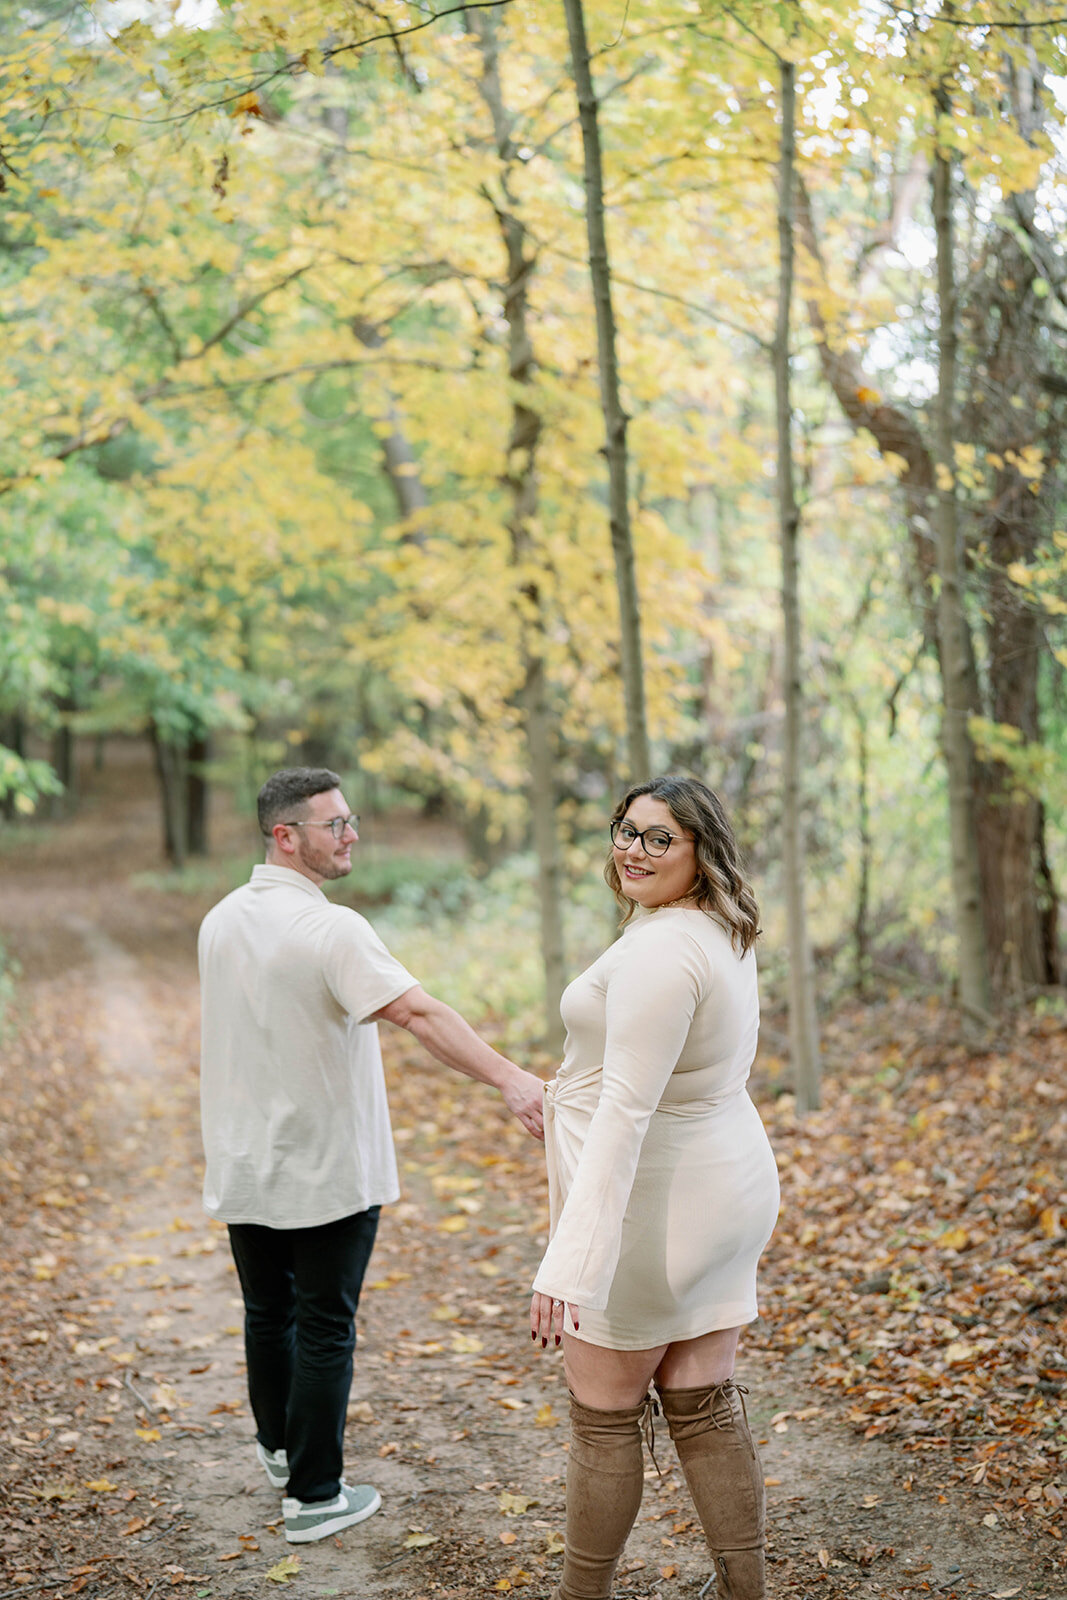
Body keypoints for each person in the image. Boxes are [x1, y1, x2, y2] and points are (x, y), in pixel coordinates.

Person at [198, 767, 544, 1546]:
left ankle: (285, 1455)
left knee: (269, 1314)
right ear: (285, 836)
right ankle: (317, 1497)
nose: (351, 835)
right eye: (334, 825)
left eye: (351, 820)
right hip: (323, 1165)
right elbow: (417, 1012)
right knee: (324, 1326)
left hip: (245, 1159)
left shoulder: (220, 919)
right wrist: (512, 1079)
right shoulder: (331, 928)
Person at [529, 775, 779, 1600]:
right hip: (721, 1182)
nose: (633, 850)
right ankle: (747, 1588)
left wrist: (569, 1262)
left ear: (699, 851)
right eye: (625, 830)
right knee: (701, 1400)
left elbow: (626, 1113)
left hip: (657, 1204)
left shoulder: (662, 951)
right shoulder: (716, 925)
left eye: (658, 838)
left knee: (602, 1419)